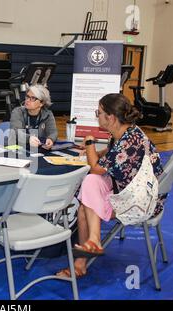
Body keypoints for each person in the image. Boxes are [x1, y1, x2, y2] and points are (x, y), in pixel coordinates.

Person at [57, 93, 164, 278]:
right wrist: (95, 152)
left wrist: (89, 143)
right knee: (90, 185)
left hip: (141, 202)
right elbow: (110, 154)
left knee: (87, 198)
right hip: (131, 190)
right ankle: (91, 244)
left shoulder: (129, 142)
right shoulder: (126, 133)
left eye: (98, 112)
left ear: (111, 117)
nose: (96, 116)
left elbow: (97, 168)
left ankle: (83, 260)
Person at [8, 84, 58, 150]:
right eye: (27, 96)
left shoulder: (48, 114)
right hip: (19, 149)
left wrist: (50, 139)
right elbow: (15, 132)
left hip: (39, 150)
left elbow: (53, 132)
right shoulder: (17, 112)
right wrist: (29, 138)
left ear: (41, 103)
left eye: (33, 98)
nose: (27, 100)